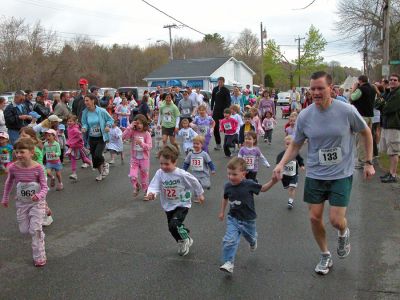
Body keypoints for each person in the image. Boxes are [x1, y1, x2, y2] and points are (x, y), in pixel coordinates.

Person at [273, 71, 375, 275]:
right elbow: (296, 143)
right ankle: (325, 255)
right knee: (314, 217)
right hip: (315, 174)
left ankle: (343, 232)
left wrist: (368, 162)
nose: (316, 92)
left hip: (341, 173)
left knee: (336, 220)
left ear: (331, 88)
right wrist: (282, 163)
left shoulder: (346, 111)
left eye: (320, 88)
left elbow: (366, 132)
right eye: (313, 89)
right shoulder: (305, 115)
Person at [218, 157, 277, 274]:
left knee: (250, 237)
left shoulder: (249, 184)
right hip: (233, 218)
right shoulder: (228, 186)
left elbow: (263, 189)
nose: (231, 177)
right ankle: (229, 263)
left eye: (234, 174)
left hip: (248, 220)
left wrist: (273, 181)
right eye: (229, 174)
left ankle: (253, 241)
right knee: (229, 240)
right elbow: (225, 198)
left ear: (244, 174)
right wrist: (222, 212)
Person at [144, 145, 205, 256]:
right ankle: (185, 237)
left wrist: (200, 193)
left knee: (174, 224)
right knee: (172, 228)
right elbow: (154, 186)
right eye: (161, 163)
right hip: (168, 204)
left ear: (175, 162)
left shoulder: (181, 174)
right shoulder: (160, 173)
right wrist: (151, 194)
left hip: (182, 203)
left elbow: (194, 181)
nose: (163, 166)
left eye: (167, 164)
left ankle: (183, 241)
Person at [1, 138, 49, 267]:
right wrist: (5, 198)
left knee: (35, 230)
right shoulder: (13, 167)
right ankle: (39, 233)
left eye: (22, 152)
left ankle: (39, 257)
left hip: (36, 203)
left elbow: (45, 187)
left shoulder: (38, 168)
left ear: (31, 152)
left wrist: (39, 196)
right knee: (24, 230)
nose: (18, 155)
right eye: (17, 152)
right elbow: (9, 182)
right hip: (22, 203)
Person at [19, 127, 53, 226]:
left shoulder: (35, 150)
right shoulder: (24, 150)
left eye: (24, 136)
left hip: (39, 177)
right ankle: (42, 214)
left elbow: (34, 164)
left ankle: (47, 216)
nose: (22, 138)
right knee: (32, 199)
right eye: (20, 136)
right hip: (29, 178)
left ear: (33, 137)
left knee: (40, 199)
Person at [81, 93, 114, 182]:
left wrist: (107, 126)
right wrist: (84, 128)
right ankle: (100, 173)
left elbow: (110, 119)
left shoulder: (101, 111)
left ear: (93, 101)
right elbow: (84, 123)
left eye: (87, 100)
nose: (85, 102)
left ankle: (105, 164)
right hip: (91, 137)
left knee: (98, 154)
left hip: (101, 137)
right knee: (94, 158)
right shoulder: (85, 112)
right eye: (85, 100)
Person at [122, 114, 152, 197]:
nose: (139, 125)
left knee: (144, 176)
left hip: (144, 159)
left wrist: (141, 143)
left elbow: (149, 147)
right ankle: (136, 186)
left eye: (141, 123)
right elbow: (123, 137)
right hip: (134, 158)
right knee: (132, 176)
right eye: (137, 123)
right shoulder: (133, 132)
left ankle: (146, 191)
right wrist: (130, 127)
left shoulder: (147, 134)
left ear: (144, 124)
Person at [378, 73, 400, 183]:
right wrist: (385, 92)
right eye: (391, 80)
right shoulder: (389, 93)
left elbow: (388, 109)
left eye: (395, 80)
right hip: (386, 125)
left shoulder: (398, 94)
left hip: (394, 126)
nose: (392, 81)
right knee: (388, 151)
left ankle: (393, 174)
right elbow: (377, 104)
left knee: (394, 151)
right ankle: (390, 172)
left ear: (399, 82)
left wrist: (383, 104)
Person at [350, 75, 376, 168]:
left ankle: (361, 161)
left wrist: (353, 89)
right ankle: (370, 157)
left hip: (362, 116)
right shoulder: (372, 89)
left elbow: (352, 98)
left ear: (359, 81)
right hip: (370, 115)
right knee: (369, 137)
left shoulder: (361, 89)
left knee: (361, 139)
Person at [276, 135, 305, 209]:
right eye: (287, 144)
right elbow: (278, 164)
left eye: (290, 144)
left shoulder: (295, 153)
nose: (288, 146)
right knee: (288, 188)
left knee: (292, 187)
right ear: (284, 144)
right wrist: (278, 170)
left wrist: (302, 165)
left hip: (294, 174)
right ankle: (290, 198)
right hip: (285, 175)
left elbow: (300, 159)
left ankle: (290, 201)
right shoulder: (281, 155)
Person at [66, 115, 92, 181]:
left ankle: (92, 163)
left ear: (75, 122)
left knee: (84, 159)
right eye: (68, 121)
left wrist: (80, 138)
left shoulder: (75, 129)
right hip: (72, 147)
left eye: (71, 121)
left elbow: (80, 135)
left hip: (78, 146)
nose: (69, 122)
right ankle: (74, 174)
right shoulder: (68, 128)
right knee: (73, 159)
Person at [211, 77, 231, 150]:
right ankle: (218, 143)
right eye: (218, 82)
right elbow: (213, 99)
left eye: (221, 82)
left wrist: (226, 111)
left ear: (223, 82)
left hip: (224, 111)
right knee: (215, 126)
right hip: (216, 110)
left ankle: (228, 142)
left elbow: (228, 101)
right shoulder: (215, 89)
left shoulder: (226, 90)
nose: (219, 83)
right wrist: (211, 108)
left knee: (226, 127)